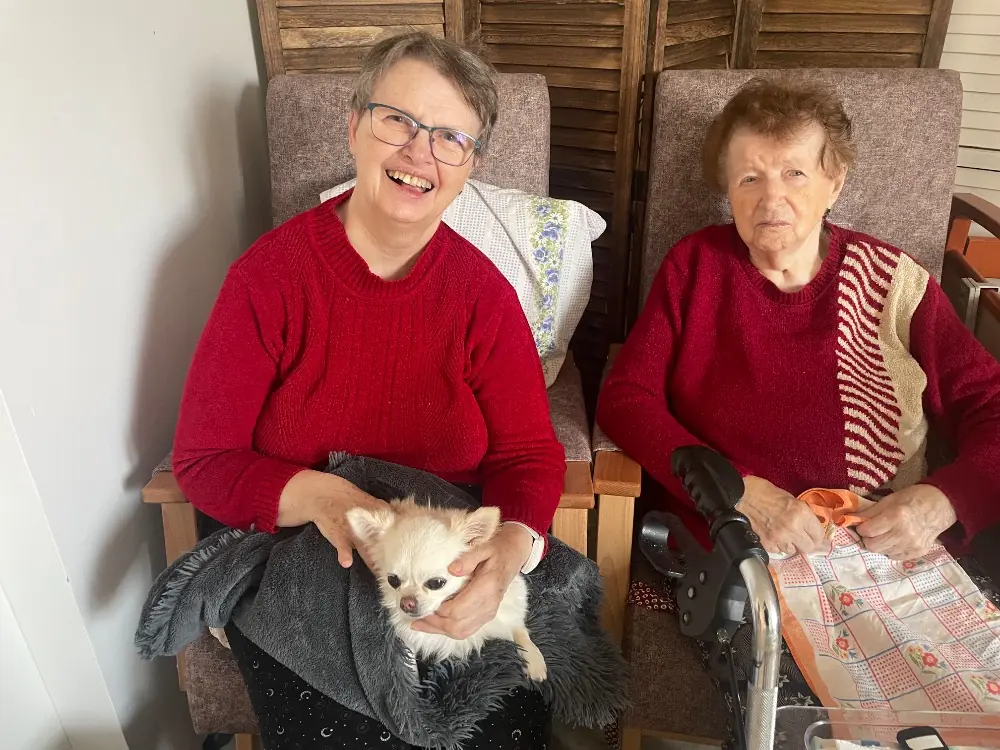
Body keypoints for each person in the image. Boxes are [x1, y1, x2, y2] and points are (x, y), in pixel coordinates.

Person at [172, 31, 564, 749]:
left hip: (440, 554)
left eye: (449, 137)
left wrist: (509, 548)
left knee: (501, 725)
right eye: (398, 121)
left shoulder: (483, 296)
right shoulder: (268, 279)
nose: (420, 152)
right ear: (354, 126)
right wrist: (327, 499)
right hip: (294, 554)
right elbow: (203, 460)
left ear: (470, 163)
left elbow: (529, 454)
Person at [596, 77, 1000, 711]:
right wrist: (740, 491)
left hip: (889, 547)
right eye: (749, 178)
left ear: (834, 183)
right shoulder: (695, 268)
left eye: (794, 173)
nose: (771, 198)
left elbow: (990, 402)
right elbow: (626, 398)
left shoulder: (894, 283)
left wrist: (945, 500)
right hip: (737, 547)